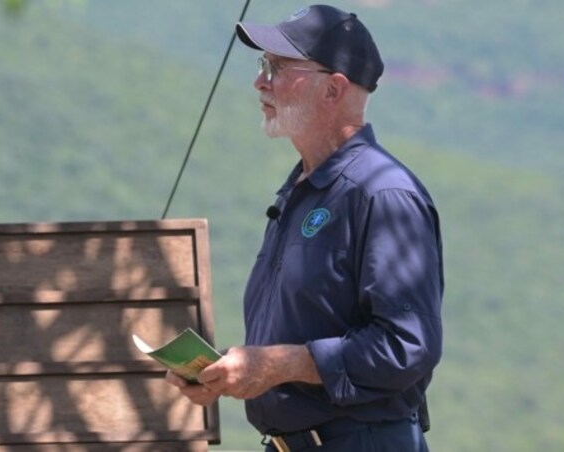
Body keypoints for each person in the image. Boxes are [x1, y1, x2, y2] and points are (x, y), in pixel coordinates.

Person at [166, 4, 444, 451]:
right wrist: (229, 372)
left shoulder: (383, 194)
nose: (260, 81)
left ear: (333, 89)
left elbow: (407, 346)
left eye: (277, 67)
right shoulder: (302, 188)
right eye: (263, 66)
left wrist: (277, 365)